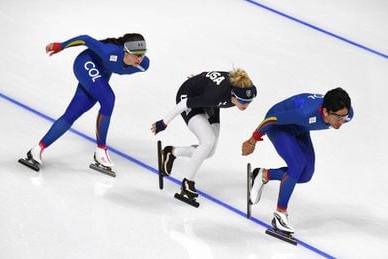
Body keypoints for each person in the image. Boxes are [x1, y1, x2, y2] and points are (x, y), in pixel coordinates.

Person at [19, 33, 150, 172]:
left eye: (142, 54)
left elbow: (114, 66)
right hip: (85, 63)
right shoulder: (109, 51)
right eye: (136, 55)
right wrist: (61, 46)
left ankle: (37, 150)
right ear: (126, 51)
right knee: (108, 99)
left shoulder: (143, 65)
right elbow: (85, 39)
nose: (140, 59)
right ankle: (101, 151)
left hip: (101, 73)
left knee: (72, 114)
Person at [242, 87, 353, 233]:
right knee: (297, 165)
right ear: (325, 112)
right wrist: (253, 140)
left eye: (343, 117)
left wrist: (342, 116)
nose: (341, 122)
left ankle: (263, 175)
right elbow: (270, 120)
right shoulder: (304, 113)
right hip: (278, 125)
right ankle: (280, 214)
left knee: (305, 175)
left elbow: (342, 115)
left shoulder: (348, 114)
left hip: (299, 127)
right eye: (338, 118)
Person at [151, 69, 257, 202]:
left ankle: (171, 152)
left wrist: (200, 79)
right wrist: (164, 122)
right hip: (189, 96)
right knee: (208, 140)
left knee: (209, 151)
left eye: (249, 101)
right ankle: (187, 182)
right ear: (232, 94)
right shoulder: (216, 95)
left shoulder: (239, 85)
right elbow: (184, 104)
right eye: (242, 101)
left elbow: (214, 75)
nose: (245, 105)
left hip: (210, 102)